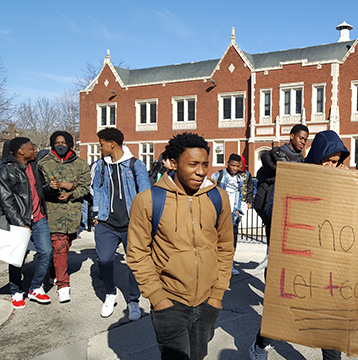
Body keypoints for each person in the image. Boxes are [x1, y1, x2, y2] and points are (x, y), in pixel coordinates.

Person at [127, 133, 234, 360]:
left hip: (208, 301)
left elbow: (225, 246)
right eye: (193, 164)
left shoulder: (219, 197)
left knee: (197, 356)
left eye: (205, 164)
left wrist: (218, 293)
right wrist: (158, 297)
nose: (201, 171)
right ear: (173, 164)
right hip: (169, 302)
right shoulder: (147, 200)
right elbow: (137, 253)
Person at [249, 129, 345, 360]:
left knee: (329, 328)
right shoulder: (297, 176)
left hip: (325, 266)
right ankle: (260, 345)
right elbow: (273, 210)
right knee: (282, 315)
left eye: (336, 162)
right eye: (327, 161)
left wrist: (343, 185)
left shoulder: (342, 181)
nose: (331, 166)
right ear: (317, 156)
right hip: (295, 263)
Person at [92, 127, 150, 320]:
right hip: (106, 223)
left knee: (134, 263)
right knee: (105, 260)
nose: (100, 148)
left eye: (101, 145)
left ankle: (134, 300)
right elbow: (98, 189)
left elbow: (145, 194)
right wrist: (96, 213)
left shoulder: (136, 165)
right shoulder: (101, 165)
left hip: (131, 224)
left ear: (112, 144)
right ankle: (110, 293)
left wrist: (145, 221)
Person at [0, 137, 53, 309]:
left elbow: (36, 192)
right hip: (19, 221)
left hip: (39, 218)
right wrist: (20, 223)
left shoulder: (34, 167)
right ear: (21, 151)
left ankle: (35, 287)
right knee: (18, 258)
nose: (35, 150)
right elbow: (6, 200)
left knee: (46, 252)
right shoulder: (6, 171)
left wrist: (50, 188)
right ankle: (16, 290)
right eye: (32, 148)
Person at [39, 131, 91, 303]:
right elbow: (39, 189)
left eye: (63, 142)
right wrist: (52, 189)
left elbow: (85, 187)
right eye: (56, 142)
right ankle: (63, 285)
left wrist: (72, 193)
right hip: (53, 214)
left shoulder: (81, 164)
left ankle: (54, 272)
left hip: (74, 215)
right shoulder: (43, 163)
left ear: (69, 144)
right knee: (59, 248)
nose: (60, 145)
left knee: (63, 248)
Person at [253, 124, 309, 271]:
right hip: (274, 208)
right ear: (292, 136)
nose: (303, 142)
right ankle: (269, 288)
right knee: (272, 252)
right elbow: (263, 173)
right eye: (301, 138)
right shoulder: (277, 154)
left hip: (290, 212)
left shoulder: (301, 159)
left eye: (306, 140)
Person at [214, 153, 244, 276]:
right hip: (220, 212)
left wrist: (238, 208)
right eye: (232, 165)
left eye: (237, 166)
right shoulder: (218, 175)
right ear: (228, 163)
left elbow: (239, 194)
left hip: (233, 213)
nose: (234, 168)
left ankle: (229, 265)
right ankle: (215, 266)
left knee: (231, 241)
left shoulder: (239, 179)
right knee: (217, 239)